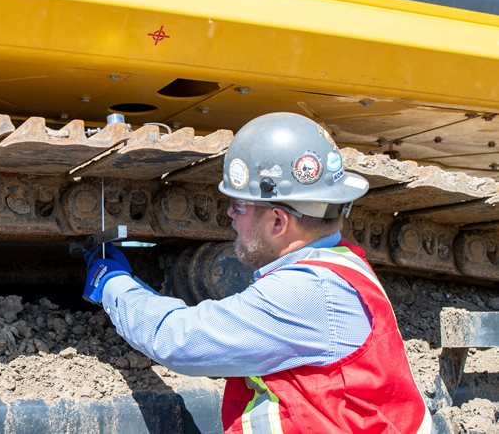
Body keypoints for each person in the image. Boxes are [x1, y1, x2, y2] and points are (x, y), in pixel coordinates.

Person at [83, 112, 432, 433]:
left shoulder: (307, 292)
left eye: (239, 205)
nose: (231, 216)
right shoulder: (341, 264)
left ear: (278, 221)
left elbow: (177, 339)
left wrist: (114, 284)